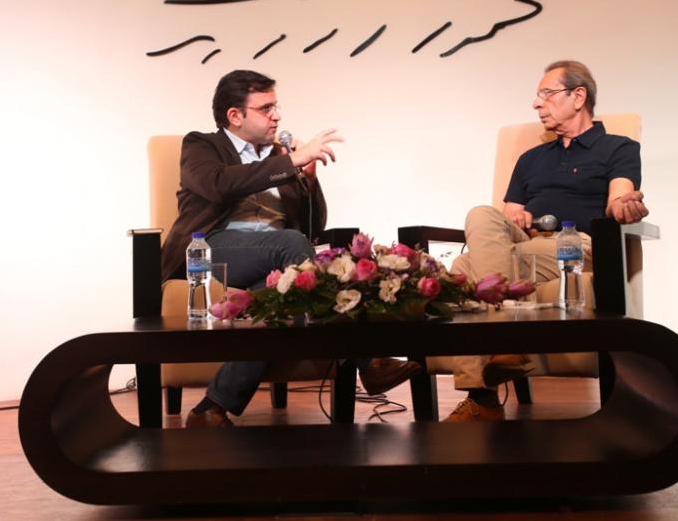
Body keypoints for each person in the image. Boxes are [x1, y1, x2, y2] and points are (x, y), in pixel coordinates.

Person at [162, 69, 420, 427]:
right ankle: (368, 362)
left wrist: (309, 182)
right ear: (235, 115)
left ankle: (211, 407)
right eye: (265, 108)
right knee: (290, 244)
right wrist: (290, 162)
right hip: (213, 249)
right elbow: (218, 185)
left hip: (277, 256)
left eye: (276, 106)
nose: (277, 116)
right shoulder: (202, 145)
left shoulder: (281, 155)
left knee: (276, 300)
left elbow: (312, 229)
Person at [445, 60, 649, 422]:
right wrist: (518, 218)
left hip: (574, 244)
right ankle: (504, 351)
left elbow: (619, 198)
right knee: (480, 214)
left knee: (462, 269)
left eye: (546, 94)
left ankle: (484, 398)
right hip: (525, 244)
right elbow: (509, 213)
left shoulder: (618, 148)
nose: (536, 103)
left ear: (578, 96)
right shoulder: (531, 159)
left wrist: (625, 206)